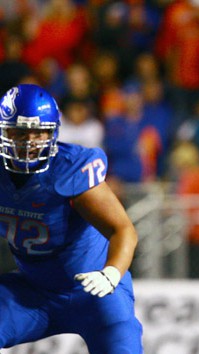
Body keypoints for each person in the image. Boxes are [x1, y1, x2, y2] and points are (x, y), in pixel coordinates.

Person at [0, 84, 143, 352]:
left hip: (95, 292)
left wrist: (110, 274)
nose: (29, 142)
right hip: (33, 290)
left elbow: (123, 230)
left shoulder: (70, 168)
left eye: (38, 133)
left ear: (53, 133)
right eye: (18, 132)